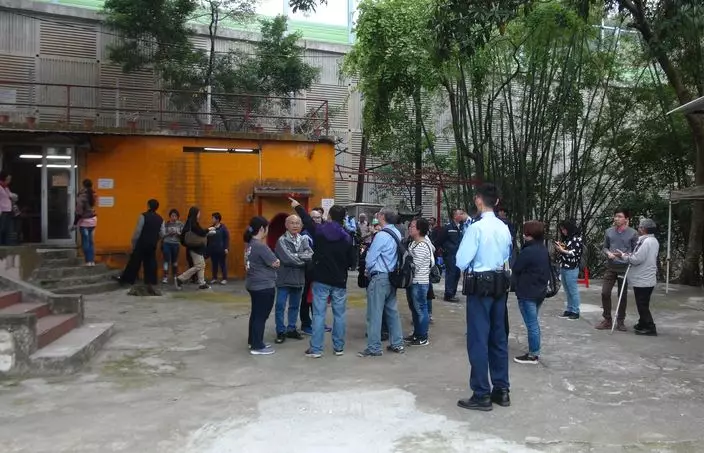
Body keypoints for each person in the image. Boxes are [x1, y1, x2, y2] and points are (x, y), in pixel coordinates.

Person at [455, 183, 512, 411]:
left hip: (480, 286)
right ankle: (502, 390)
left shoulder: (476, 228)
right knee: (498, 337)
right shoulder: (504, 228)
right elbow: (507, 255)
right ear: (496, 202)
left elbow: (461, 260)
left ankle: (481, 393)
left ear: (478, 200)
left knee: (478, 339)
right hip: (500, 284)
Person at [291, 198, 354, 359]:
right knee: (339, 315)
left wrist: (298, 206)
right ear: (343, 218)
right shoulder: (347, 237)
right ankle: (338, 347)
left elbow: (307, 221)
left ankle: (316, 349)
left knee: (318, 314)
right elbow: (352, 262)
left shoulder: (319, 231)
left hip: (320, 279)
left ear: (329, 216)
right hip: (339, 280)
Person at [359, 206, 405, 357]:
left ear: (383, 217)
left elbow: (371, 258)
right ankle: (397, 343)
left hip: (379, 277)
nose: (377, 216)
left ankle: (374, 347)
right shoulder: (396, 232)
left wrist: (368, 269)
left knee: (374, 313)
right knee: (392, 311)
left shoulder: (381, 235)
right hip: (391, 276)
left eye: (379, 214)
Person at [512, 220, 551, 365]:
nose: (523, 235)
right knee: (533, 322)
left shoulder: (528, 251)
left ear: (529, 234)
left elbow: (516, 268)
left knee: (532, 324)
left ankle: (533, 354)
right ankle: (534, 351)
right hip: (540, 291)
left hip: (528, 292)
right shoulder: (543, 249)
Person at [614, 218, 660, 336]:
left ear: (644, 229)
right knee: (643, 303)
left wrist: (624, 256)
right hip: (646, 277)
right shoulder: (652, 240)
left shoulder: (647, 242)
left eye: (640, 227)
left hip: (643, 278)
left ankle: (650, 327)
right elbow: (639, 255)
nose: (638, 229)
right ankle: (642, 323)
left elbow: (637, 259)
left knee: (642, 304)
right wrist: (628, 255)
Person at [596, 208, 638, 331]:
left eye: (620, 216)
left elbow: (636, 251)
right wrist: (608, 253)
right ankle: (607, 319)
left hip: (624, 267)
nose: (617, 219)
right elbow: (605, 247)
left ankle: (620, 321)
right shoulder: (609, 232)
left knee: (622, 295)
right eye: (615, 216)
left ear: (626, 219)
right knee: (605, 292)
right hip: (611, 266)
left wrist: (623, 255)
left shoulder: (633, 233)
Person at [274, 215, 313, 343]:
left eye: (297, 223)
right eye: (292, 223)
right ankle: (280, 331)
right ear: (286, 225)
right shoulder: (281, 240)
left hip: (298, 279)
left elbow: (310, 254)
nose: (295, 225)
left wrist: (296, 256)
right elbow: (287, 259)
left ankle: (291, 328)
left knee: (295, 306)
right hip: (284, 279)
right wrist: (302, 259)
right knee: (280, 306)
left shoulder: (303, 239)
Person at [244, 216, 280, 355]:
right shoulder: (260, 246)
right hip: (263, 285)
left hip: (253, 283)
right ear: (261, 229)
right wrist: (276, 262)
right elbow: (275, 262)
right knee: (261, 316)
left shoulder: (250, 244)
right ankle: (257, 346)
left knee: (255, 314)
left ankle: (253, 341)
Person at [118, 199, 164, 294]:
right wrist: (155, 239)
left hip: (142, 242)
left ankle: (128, 280)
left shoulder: (143, 216)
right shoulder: (160, 219)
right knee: (150, 262)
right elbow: (162, 233)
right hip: (152, 244)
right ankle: (150, 281)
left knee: (135, 261)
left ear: (148, 206)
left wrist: (134, 242)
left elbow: (138, 231)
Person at [404, 217, 434, 346]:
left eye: (413, 226)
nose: (410, 228)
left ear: (420, 229)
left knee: (421, 309)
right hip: (412, 282)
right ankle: (417, 333)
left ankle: (423, 336)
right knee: (415, 309)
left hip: (419, 282)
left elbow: (414, 266)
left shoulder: (422, 245)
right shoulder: (413, 243)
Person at [435, 208, 470, 302]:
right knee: (451, 273)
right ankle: (448, 294)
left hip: (459, 255)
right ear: (455, 216)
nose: (462, 215)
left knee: (457, 274)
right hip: (450, 255)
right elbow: (439, 241)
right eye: (460, 214)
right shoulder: (448, 228)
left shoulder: (462, 227)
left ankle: (452, 293)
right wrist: (444, 250)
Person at [176, 207, 214, 290]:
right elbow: (201, 232)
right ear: (195, 213)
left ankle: (202, 283)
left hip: (194, 247)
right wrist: (209, 229)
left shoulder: (189, 222)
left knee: (201, 264)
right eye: (198, 213)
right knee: (199, 265)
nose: (199, 214)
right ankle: (180, 279)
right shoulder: (193, 223)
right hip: (195, 248)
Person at [300, 207, 324, 336]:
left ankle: (317, 322)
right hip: (308, 271)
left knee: (317, 298)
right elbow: (308, 255)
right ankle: (305, 324)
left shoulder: (322, 233)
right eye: (313, 218)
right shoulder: (305, 235)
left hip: (319, 271)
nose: (316, 220)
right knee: (306, 298)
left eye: (318, 217)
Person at [555, 219, 584, 320]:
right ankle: (569, 308)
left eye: (564, 229)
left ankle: (575, 310)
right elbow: (566, 249)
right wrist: (560, 247)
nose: (563, 232)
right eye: (562, 230)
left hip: (572, 267)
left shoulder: (577, 239)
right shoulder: (567, 238)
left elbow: (574, 253)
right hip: (564, 265)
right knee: (567, 290)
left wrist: (562, 250)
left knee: (573, 290)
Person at [74, 179, 97, 266]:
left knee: (85, 242)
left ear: (83, 185)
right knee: (91, 242)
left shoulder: (82, 196)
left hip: (85, 222)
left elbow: (79, 212)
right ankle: (92, 261)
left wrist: (75, 223)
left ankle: (88, 261)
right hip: (93, 221)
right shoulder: (94, 195)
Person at [160, 209, 183, 284]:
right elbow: (162, 235)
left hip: (176, 244)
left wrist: (178, 233)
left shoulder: (180, 224)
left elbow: (183, 235)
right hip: (167, 243)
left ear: (178, 217)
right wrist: (168, 233)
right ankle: (165, 277)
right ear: (170, 216)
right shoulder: (166, 224)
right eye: (172, 216)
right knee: (166, 260)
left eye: (175, 216)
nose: (174, 217)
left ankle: (175, 276)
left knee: (174, 261)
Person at [207, 212, 230, 285]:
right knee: (214, 264)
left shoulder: (223, 228)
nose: (212, 219)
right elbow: (208, 238)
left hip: (221, 249)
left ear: (217, 219)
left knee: (222, 264)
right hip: (213, 249)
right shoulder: (211, 227)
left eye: (213, 218)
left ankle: (224, 278)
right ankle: (214, 278)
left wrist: (226, 248)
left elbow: (226, 238)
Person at [0, 171, 14, 245]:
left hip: (8, 210)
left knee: (8, 228)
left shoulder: (6, 188)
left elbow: (10, 195)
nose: (9, 181)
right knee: (1, 228)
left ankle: (7, 244)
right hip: (2, 211)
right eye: (8, 179)